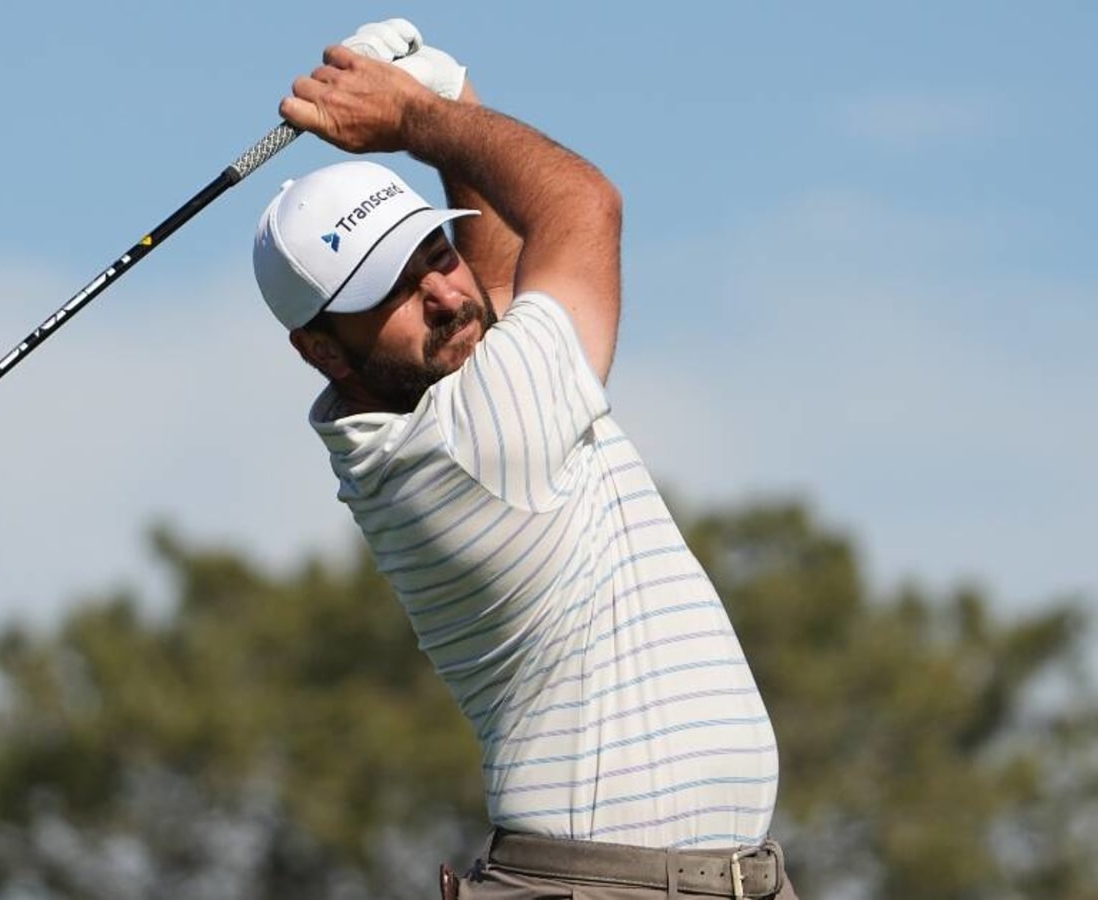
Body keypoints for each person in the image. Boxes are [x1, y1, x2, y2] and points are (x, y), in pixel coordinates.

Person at [251, 20, 800, 900]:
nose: (442, 294)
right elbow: (585, 207)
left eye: (435, 251)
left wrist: (451, 95)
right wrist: (421, 118)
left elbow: (494, 285)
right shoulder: (468, 444)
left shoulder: (440, 397)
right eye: (391, 290)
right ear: (321, 349)